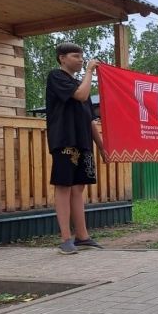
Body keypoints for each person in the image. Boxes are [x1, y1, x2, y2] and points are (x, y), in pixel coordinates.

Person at [46, 43, 108, 255]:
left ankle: (82, 236)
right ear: (62, 58)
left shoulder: (82, 84)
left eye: (82, 57)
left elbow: (90, 119)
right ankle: (65, 239)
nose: (81, 60)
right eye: (75, 56)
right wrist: (90, 70)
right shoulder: (56, 77)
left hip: (83, 142)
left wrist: (101, 147)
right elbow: (80, 96)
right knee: (63, 186)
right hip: (65, 141)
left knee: (78, 188)